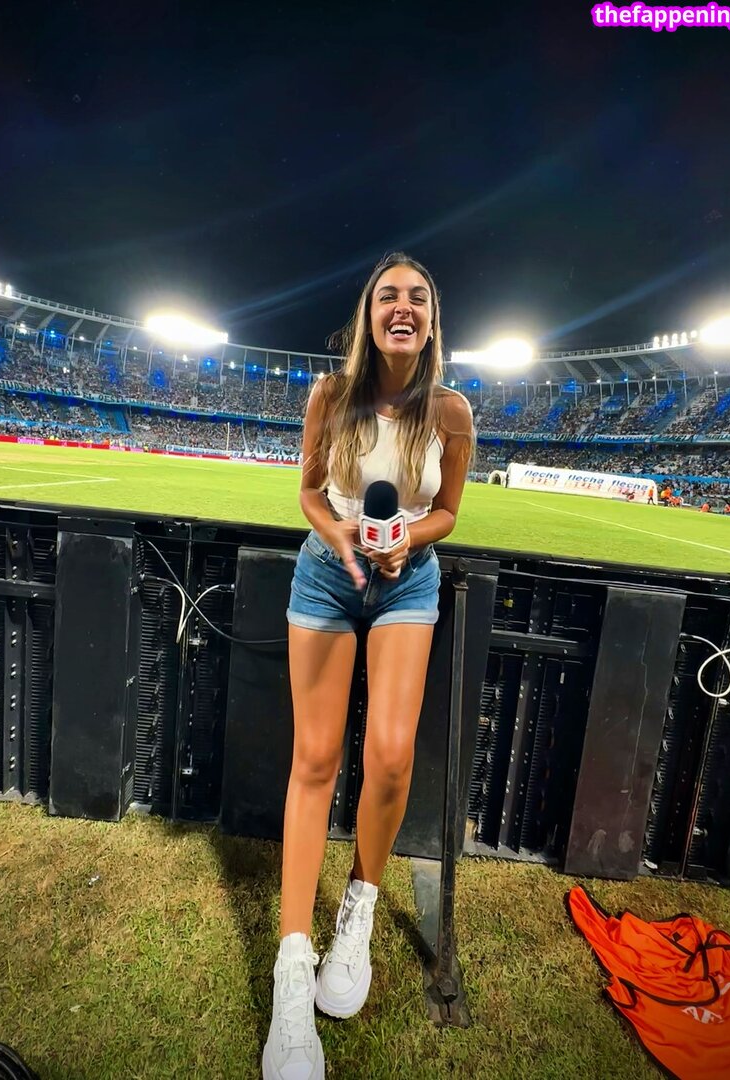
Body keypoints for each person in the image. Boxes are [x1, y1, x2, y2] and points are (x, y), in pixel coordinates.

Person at [261, 253, 475, 1080]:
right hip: (326, 574)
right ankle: (292, 967)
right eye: (389, 295)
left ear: (431, 320)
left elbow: (448, 511)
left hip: (407, 583)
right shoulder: (329, 394)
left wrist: (404, 538)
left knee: (389, 756)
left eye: (417, 297)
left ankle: (357, 912)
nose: (403, 307)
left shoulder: (451, 411)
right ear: (369, 313)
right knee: (315, 760)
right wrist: (345, 536)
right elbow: (310, 493)